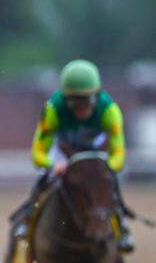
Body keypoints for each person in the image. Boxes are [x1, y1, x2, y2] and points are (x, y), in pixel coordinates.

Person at [13, 59, 133, 251]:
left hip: (95, 157)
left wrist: (107, 166)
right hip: (64, 156)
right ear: (65, 98)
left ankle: (122, 226)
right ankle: (28, 220)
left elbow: (118, 155)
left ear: (97, 96)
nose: (81, 108)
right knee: (44, 181)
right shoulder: (52, 109)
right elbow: (38, 154)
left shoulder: (110, 111)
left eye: (87, 101)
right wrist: (53, 166)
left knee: (109, 183)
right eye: (74, 101)